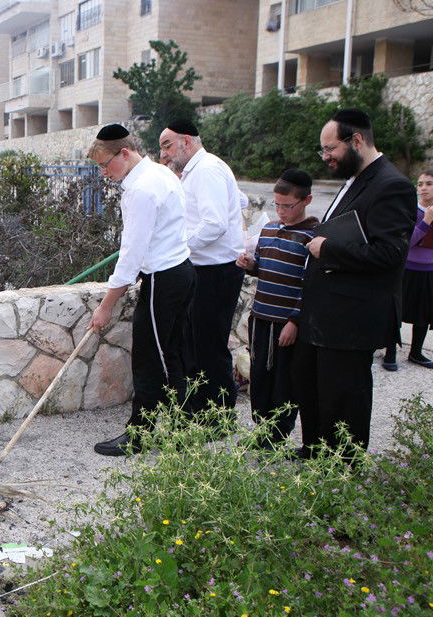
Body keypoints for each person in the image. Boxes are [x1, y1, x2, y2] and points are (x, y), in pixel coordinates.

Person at [292, 108, 416, 460]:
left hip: (352, 316)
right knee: (312, 387)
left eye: (330, 149)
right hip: (325, 311)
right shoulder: (357, 178)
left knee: (345, 398)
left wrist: (327, 247)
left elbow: (389, 255)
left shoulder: (392, 186)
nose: (326, 157)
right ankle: (315, 451)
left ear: (356, 140)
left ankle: (343, 472)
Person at [87, 123, 195, 456]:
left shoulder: (142, 188)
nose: (105, 173)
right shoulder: (160, 175)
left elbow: (131, 254)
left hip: (164, 278)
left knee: (152, 360)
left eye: (107, 165)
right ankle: (176, 430)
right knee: (168, 355)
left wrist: (106, 305)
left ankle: (143, 435)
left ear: (124, 152)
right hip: (179, 273)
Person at [159, 119, 246, 412]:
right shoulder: (194, 171)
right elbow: (239, 200)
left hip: (217, 270)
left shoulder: (207, 169)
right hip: (204, 268)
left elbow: (214, 224)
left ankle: (218, 412)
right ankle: (200, 406)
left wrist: (178, 248)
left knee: (209, 345)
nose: (165, 153)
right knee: (194, 343)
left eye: (167, 145)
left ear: (186, 141)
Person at [235, 170, 318, 449]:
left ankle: (278, 434)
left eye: (288, 206)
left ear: (306, 200)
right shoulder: (269, 229)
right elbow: (263, 267)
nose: (281, 211)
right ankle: (262, 430)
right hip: (262, 317)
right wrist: (251, 265)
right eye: (277, 205)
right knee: (260, 377)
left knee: (283, 381)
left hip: (285, 323)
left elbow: (311, 285)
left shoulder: (312, 237)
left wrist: (295, 320)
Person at [382, 169, 433, 370]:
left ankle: (416, 352)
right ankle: (390, 352)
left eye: (429, 184)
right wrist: (426, 221)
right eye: (420, 184)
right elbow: (407, 243)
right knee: (396, 312)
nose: (423, 188)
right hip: (405, 269)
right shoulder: (410, 210)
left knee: (424, 313)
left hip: (428, 270)